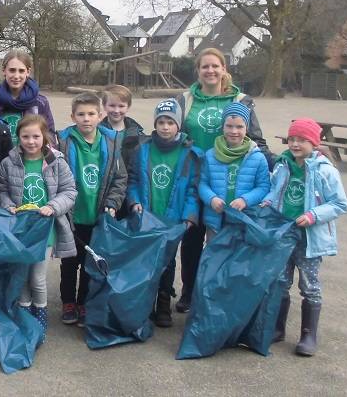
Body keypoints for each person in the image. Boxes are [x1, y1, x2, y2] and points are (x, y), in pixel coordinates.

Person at [173, 46, 271, 313]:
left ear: (224, 69)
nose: (210, 70)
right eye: (205, 66)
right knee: (192, 237)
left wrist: (282, 162)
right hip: (193, 178)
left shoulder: (241, 100)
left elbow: (256, 140)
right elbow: (171, 133)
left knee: (226, 241)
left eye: (215, 66)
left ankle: (221, 293)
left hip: (229, 181)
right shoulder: (184, 100)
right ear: (198, 70)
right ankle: (190, 291)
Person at [262, 118, 347, 357]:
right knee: (280, 282)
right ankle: (277, 328)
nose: (295, 144)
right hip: (284, 235)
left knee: (309, 286)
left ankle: (308, 335)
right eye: (292, 139)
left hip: (309, 239)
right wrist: (267, 202)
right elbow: (275, 191)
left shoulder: (325, 170)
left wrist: (313, 215)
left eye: (302, 140)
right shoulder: (282, 166)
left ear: (314, 142)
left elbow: (340, 203)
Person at [0, 115, 77, 342]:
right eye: (25, 136)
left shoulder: (57, 162)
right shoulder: (8, 163)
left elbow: (69, 191)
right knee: (22, 275)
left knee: (38, 278)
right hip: (20, 230)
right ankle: (24, 316)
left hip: (45, 230)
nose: (31, 141)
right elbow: (1, 189)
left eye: (36, 136)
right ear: (18, 138)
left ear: (45, 137)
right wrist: (8, 206)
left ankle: (40, 319)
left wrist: (53, 207)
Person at [127, 99, 201, 328]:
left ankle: (163, 304)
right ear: (155, 124)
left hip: (174, 218)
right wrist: (134, 201)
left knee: (167, 262)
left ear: (178, 125)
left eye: (170, 122)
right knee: (147, 261)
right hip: (147, 215)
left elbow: (193, 189)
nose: (165, 127)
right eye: (161, 122)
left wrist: (189, 216)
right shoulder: (143, 149)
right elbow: (133, 180)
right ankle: (146, 303)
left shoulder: (190, 153)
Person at [57, 93, 127, 327]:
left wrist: (112, 203)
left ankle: (83, 302)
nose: (86, 119)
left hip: (97, 216)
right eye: (81, 114)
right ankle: (68, 302)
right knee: (69, 263)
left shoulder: (111, 142)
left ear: (100, 116)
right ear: (72, 117)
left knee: (91, 263)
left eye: (91, 114)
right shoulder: (63, 142)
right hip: (71, 215)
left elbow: (120, 179)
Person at [198, 102, 270, 239]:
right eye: (229, 126)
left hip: (245, 221)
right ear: (222, 127)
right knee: (214, 252)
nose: (234, 131)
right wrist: (211, 199)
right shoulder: (210, 155)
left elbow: (264, 186)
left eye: (239, 126)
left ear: (247, 128)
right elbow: (202, 183)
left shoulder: (258, 157)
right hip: (215, 221)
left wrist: (245, 200)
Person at [0, 50, 56, 145]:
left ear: (28, 72)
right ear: (4, 71)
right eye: (12, 70)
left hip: (30, 153)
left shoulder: (40, 102)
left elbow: (49, 135)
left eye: (21, 71)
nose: (16, 76)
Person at [98, 84, 144, 219]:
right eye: (112, 105)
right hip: (105, 193)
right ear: (104, 105)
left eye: (121, 106)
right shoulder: (97, 133)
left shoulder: (138, 134)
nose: (116, 110)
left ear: (128, 106)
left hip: (129, 193)